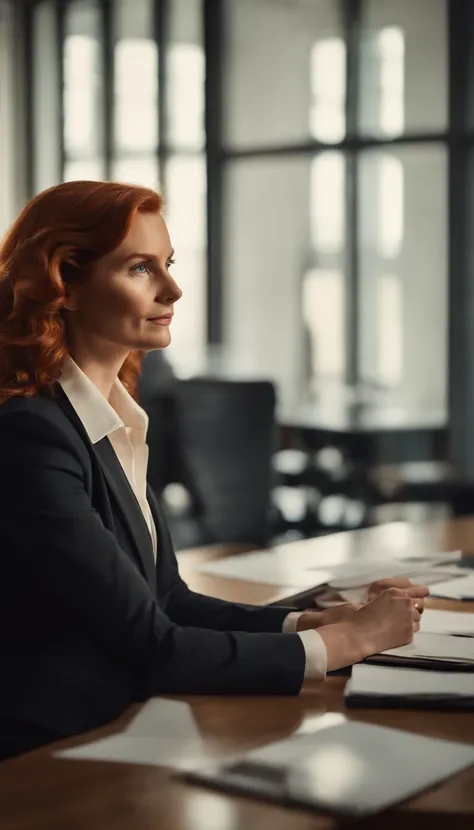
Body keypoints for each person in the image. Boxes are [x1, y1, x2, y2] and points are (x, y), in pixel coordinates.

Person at [0, 181, 428, 761]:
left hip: (120, 734)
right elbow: (155, 647)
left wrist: (313, 621)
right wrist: (352, 639)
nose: (174, 288)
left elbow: (168, 600)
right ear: (65, 284)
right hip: (51, 762)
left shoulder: (110, 421)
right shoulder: (31, 434)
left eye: (168, 264)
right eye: (140, 269)